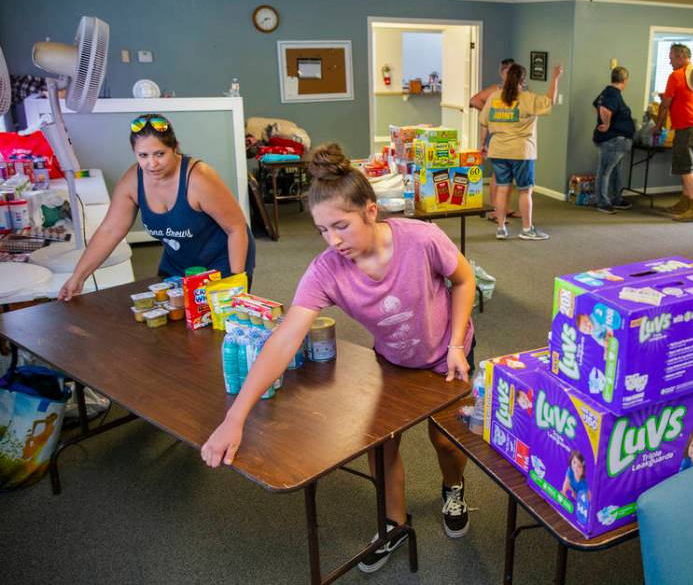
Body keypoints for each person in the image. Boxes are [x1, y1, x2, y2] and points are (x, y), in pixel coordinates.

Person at [200, 143, 476, 574]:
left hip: (447, 354)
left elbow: (463, 280)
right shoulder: (327, 269)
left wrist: (458, 343)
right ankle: (392, 525)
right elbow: (284, 339)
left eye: (341, 226)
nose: (332, 241)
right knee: (380, 443)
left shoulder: (421, 239)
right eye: (322, 230)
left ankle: (453, 487)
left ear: (370, 211)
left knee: (446, 439)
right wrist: (235, 417)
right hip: (393, 361)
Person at [58, 114, 255, 300]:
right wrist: (78, 276)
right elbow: (110, 230)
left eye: (160, 154)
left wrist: (235, 282)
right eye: (143, 155)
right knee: (171, 320)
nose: (152, 164)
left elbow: (236, 228)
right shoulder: (133, 181)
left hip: (222, 259)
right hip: (178, 262)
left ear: (175, 148)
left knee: (218, 323)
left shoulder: (199, 178)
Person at [480, 62, 563, 241]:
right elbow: (550, 101)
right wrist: (555, 79)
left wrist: (483, 144)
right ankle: (526, 229)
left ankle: (501, 228)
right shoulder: (528, 98)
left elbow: (484, 122)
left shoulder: (494, 97)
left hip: (498, 150)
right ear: (522, 80)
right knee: (525, 190)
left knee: (502, 189)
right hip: (521, 152)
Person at [653, 44, 693, 223]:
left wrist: (658, 125)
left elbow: (665, 104)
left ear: (680, 56)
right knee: (689, 168)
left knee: (685, 168)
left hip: (688, 127)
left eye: (671, 57)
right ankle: (685, 203)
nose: (669, 61)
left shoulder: (676, 75)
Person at [470, 58, 517, 224]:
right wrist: (491, 113)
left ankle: (505, 208)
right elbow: (474, 100)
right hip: (497, 137)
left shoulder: (518, 91)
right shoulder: (496, 90)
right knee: (498, 175)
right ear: (503, 73)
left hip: (513, 139)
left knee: (509, 176)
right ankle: (495, 212)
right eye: (510, 72)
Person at [593, 66, 636, 214]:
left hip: (616, 141)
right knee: (604, 171)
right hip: (613, 140)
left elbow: (597, 106)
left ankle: (616, 199)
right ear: (625, 80)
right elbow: (604, 109)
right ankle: (602, 202)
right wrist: (606, 124)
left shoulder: (606, 92)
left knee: (615, 171)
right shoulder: (613, 94)